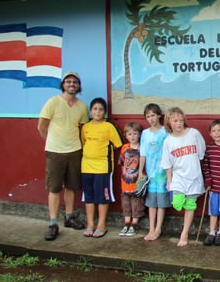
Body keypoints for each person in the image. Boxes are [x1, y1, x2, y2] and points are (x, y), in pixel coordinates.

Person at [38, 71, 89, 241]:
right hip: (55, 152)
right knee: (54, 188)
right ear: (63, 84)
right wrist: (52, 142)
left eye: (75, 82)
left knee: (71, 186)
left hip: (74, 151)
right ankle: (53, 223)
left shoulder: (82, 106)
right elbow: (42, 126)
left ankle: (69, 217)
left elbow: (82, 129)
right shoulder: (53, 102)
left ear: (78, 85)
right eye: (68, 81)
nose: (71, 84)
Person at [161, 107, 206, 247]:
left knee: (190, 206)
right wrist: (169, 180)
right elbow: (167, 162)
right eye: (175, 121)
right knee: (177, 203)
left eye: (181, 120)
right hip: (178, 177)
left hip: (194, 177)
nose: (179, 123)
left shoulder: (194, 134)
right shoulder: (168, 141)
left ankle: (184, 234)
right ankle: (184, 232)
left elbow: (201, 152)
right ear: (169, 122)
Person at [80, 97, 123, 238]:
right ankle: (90, 224)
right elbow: (83, 143)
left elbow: (118, 144)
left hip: (103, 168)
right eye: (95, 109)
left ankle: (101, 224)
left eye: (101, 109)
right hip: (86, 167)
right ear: (91, 111)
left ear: (104, 112)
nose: (98, 112)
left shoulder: (108, 127)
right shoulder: (85, 127)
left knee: (102, 197)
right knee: (89, 197)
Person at [139, 103, 169, 241]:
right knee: (151, 203)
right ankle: (151, 228)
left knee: (161, 202)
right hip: (150, 174)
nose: (151, 119)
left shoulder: (165, 132)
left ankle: (158, 229)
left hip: (162, 174)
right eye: (148, 116)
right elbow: (143, 154)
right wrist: (141, 171)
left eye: (153, 115)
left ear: (159, 116)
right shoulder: (145, 134)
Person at [118, 122, 145, 237]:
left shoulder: (142, 148)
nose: (132, 136)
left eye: (135, 133)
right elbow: (121, 162)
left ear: (139, 135)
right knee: (126, 202)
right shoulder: (125, 148)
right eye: (129, 134)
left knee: (136, 203)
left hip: (137, 181)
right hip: (126, 181)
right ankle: (126, 222)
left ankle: (134, 223)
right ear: (126, 135)